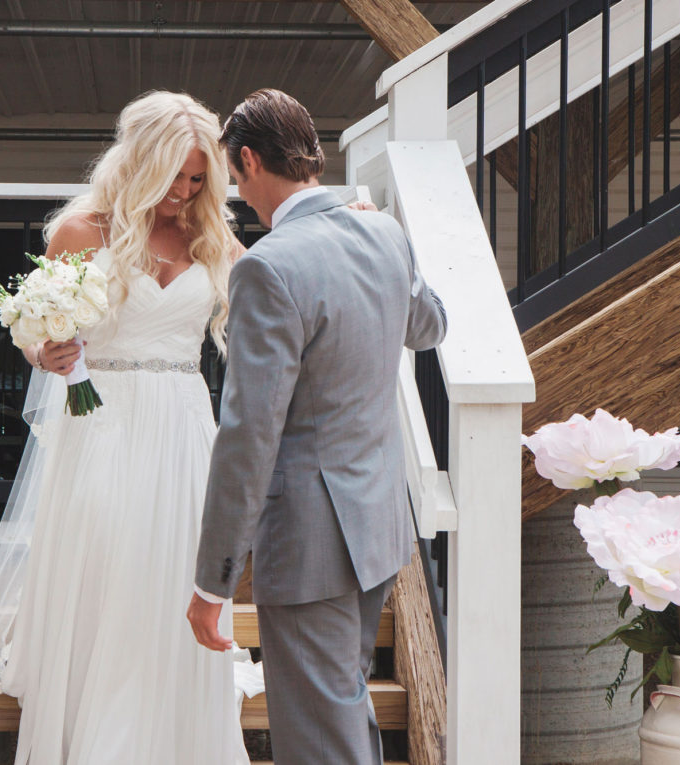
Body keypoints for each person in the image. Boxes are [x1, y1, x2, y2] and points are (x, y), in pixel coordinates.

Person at [0, 91, 253, 765]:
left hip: (181, 422)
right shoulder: (82, 230)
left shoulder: (210, 234)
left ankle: (172, 727)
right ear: (139, 162)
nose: (183, 190)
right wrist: (43, 352)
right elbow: (37, 330)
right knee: (115, 559)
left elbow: (276, 277)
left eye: (198, 178)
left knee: (176, 566)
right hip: (103, 417)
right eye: (173, 175)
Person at [188, 89, 448, 764]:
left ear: (247, 161)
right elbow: (432, 323)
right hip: (378, 527)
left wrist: (212, 581)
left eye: (236, 178)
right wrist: (392, 249)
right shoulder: (384, 232)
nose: (239, 193)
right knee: (341, 708)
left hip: (309, 545)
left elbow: (248, 435)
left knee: (319, 738)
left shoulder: (268, 267)